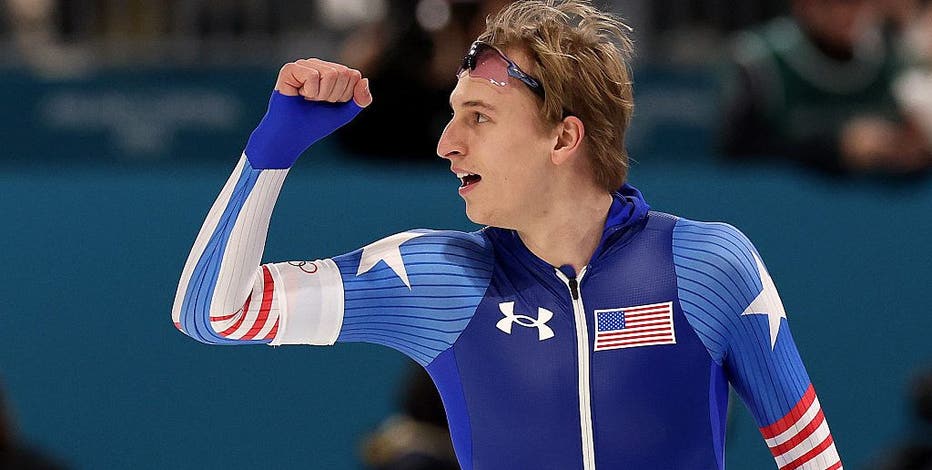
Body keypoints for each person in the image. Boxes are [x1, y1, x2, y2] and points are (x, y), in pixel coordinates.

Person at [172, 1, 842, 468]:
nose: (446, 142)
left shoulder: (710, 265)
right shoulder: (433, 279)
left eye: (480, 117)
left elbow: (810, 457)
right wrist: (270, 153)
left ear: (563, 136)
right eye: (452, 114)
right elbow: (211, 313)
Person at [720, 0, 931, 174]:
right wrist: (834, 147)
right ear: (803, 6)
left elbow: (911, 145)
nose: (847, 14)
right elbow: (736, 152)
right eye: (834, 4)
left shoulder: (892, 56)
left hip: (879, 209)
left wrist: (904, 148)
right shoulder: (762, 60)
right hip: (781, 205)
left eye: (856, 4)